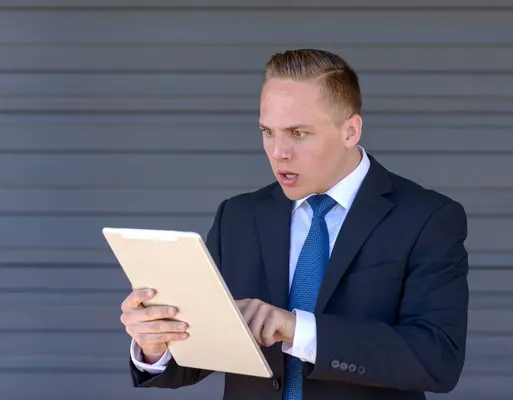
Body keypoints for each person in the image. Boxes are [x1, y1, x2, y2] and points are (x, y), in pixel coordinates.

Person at [120, 48, 469, 400]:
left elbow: (436, 360)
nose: (278, 152)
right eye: (267, 131)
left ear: (351, 130)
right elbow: (200, 355)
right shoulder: (238, 217)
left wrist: (297, 329)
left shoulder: (427, 218)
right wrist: (156, 344)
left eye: (298, 133)